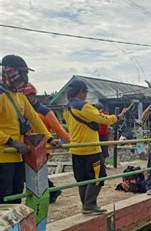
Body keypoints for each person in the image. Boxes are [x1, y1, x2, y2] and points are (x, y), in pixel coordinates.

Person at [0, 54, 61, 204]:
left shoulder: (19, 96)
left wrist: (49, 138)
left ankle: (14, 227)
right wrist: (11, 142)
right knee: (3, 197)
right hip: (3, 156)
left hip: (18, 156)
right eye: (23, 73)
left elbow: (34, 118)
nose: (25, 78)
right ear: (11, 73)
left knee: (16, 195)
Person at [64, 79, 127, 214]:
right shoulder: (84, 106)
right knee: (99, 176)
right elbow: (102, 119)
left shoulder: (67, 108)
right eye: (85, 92)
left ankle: (85, 205)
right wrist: (117, 117)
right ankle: (90, 204)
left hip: (75, 149)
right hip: (91, 149)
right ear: (81, 92)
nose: (86, 95)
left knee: (82, 179)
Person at [22, 82, 71, 203]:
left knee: (34, 174)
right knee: (31, 174)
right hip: (26, 148)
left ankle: (51, 192)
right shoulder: (22, 111)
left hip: (43, 148)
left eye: (31, 96)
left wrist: (72, 143)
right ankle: (50, 192)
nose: (29, 98)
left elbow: (58, 129)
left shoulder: (44, 111)